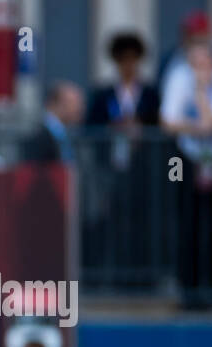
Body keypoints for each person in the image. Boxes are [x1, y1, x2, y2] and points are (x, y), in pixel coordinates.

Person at [84, 33, 162, 288]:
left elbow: (159, 124)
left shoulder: (150, 94)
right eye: (123, 60)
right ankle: (114, 275)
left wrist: (140, 128)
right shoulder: (104, 94)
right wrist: (112, 128)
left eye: (133, 59)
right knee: (112, 221)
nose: (128, 65)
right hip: (113, 166)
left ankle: (143, 277)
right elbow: (91, 127)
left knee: (142, 220)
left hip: (142, 168)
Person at [161, 35, 212, 310]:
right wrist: (196, 126)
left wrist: (201, 94)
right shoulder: (178, 78)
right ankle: (188, 290)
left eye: (204, 62)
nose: (199, 69)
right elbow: (168, 122)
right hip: (184, 160)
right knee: (187, 221)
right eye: (194, 63)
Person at [21, 81, 85, 162]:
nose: (79, 109)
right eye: (73, 104)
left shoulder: (66, 133)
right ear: (57, 104)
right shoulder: (38, 135)